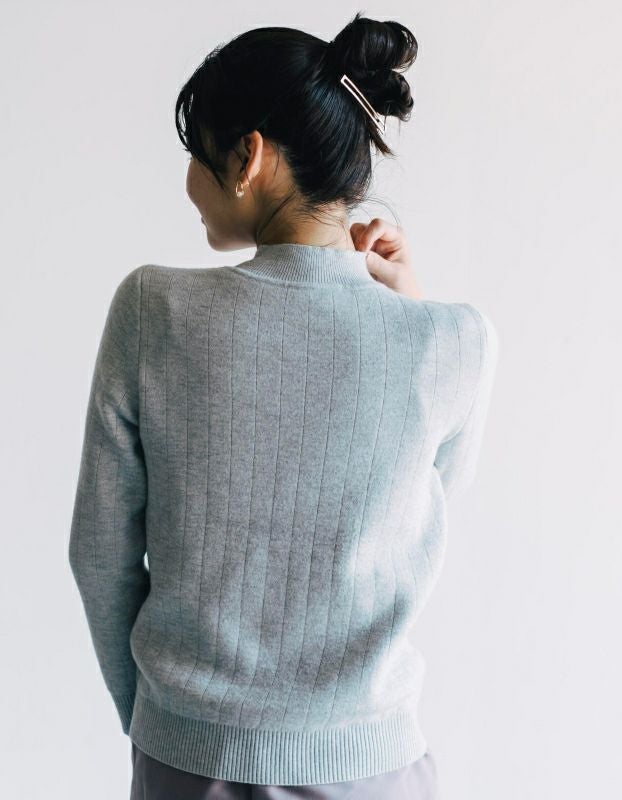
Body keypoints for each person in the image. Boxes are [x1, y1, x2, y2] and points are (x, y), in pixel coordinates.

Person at [68, 12, 499, 799]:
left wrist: (161, 728)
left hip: (189, 766)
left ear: (248, 157)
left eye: (196, 153)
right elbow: (419, 516)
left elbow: (99, 554)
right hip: (372, 773)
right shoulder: (454, 341)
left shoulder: (151, 311)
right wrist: (409, 312)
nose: (189, 180)